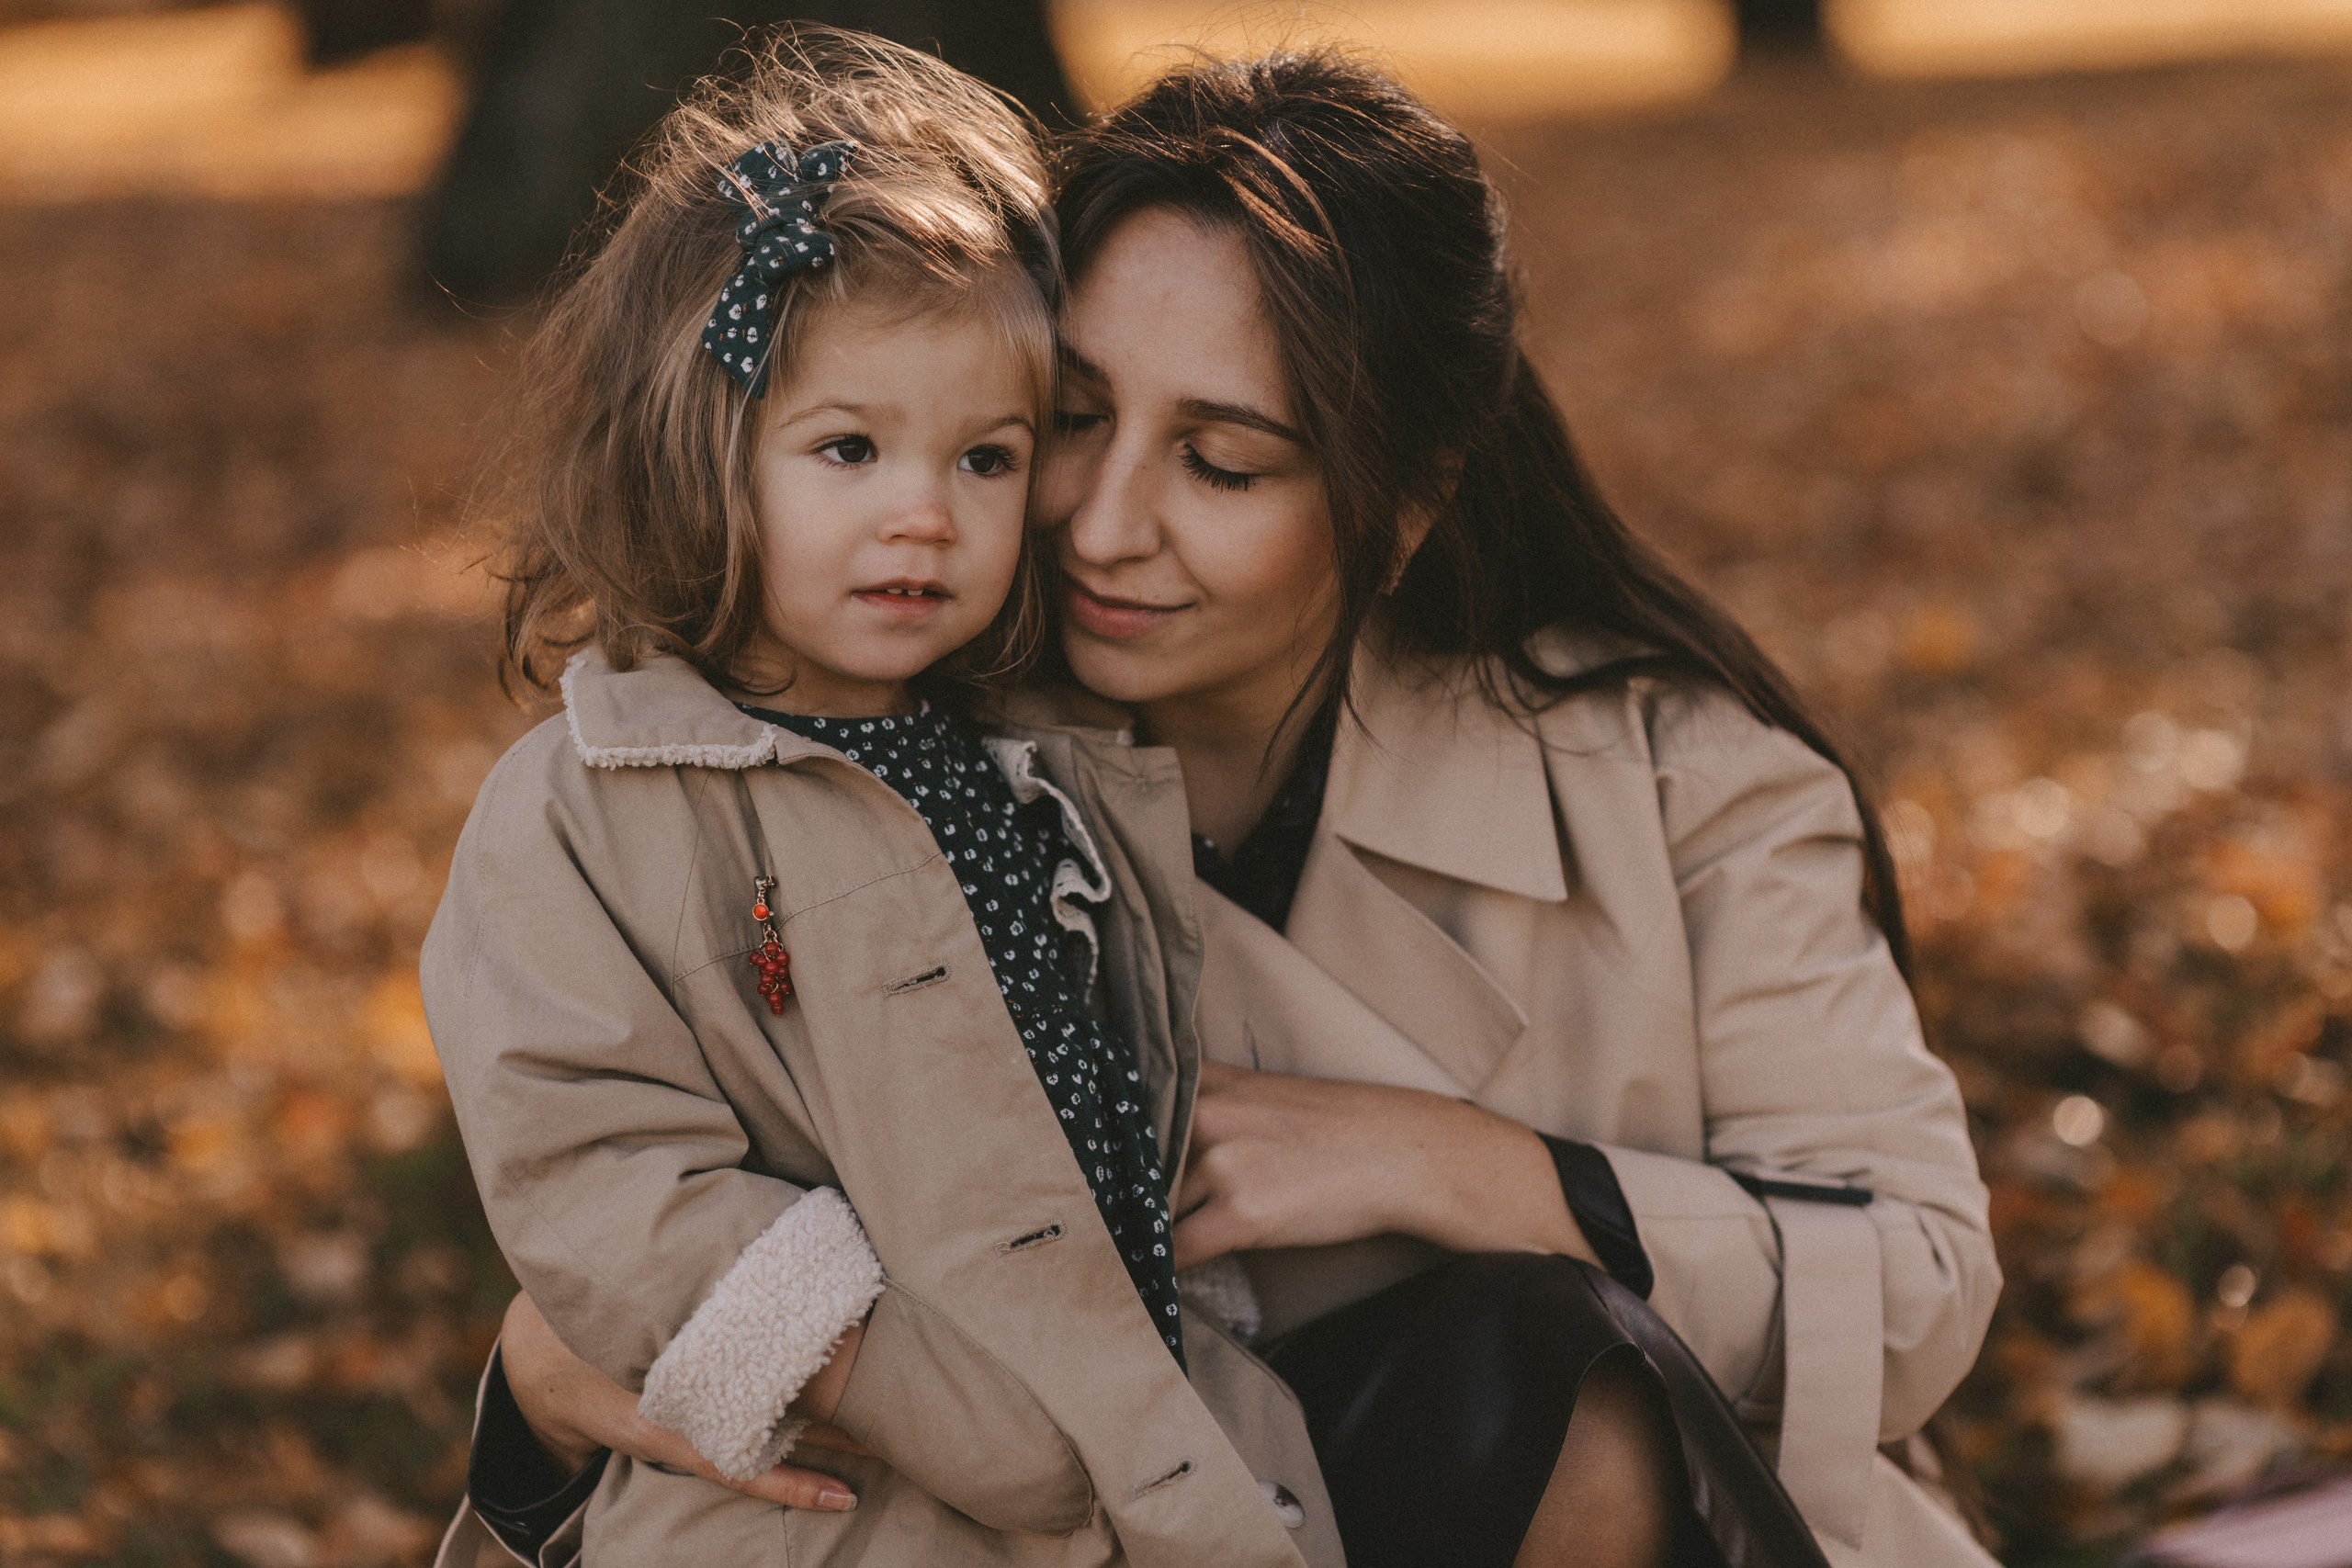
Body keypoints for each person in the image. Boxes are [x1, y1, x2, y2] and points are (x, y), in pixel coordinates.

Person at [462, 42, 2005, 1568]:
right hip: (1067, 1514)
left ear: (1401, 510)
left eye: (1220, 462)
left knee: (1553, 1374)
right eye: (1067, 420)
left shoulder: (1677, 790)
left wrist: (1467, 1171)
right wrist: (540, 1391)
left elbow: (1921, 1284)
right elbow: (655, 1204)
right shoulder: (857, 756)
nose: (1103, 522)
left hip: (1592, 1508)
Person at [423, 31, 1349, 1567]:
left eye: (987, 458)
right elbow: (603, 1176)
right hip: (836, 1504)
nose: (925, 511)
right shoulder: (594, 806)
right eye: (848, 448)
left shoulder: (1038, 755)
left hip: (1133, 1453)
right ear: (704, 451)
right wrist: (943, 1407)